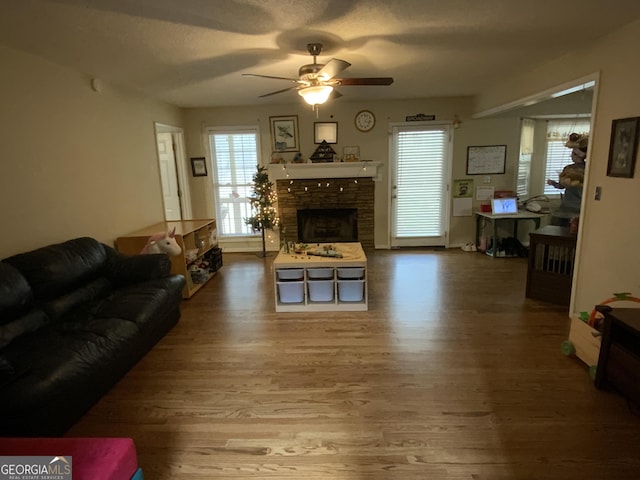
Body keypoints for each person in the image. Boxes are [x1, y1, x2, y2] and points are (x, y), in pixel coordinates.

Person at [546, 132, 588, 227]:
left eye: (573, 153)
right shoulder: (572, 168)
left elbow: (561, 185)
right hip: (571, 207)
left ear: (579, 155)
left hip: (573, 208)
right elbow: (562, 185)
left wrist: (554, 183)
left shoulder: (574, 169)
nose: (571, 156)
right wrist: (553, 183)